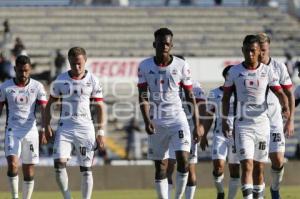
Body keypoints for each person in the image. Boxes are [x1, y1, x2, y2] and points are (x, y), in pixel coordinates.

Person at [137, 28, 204, 199]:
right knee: (161, 166)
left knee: (183, 160)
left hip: (177, 119)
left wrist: (197, 125)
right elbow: (143, 96)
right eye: (161, 43)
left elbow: (190, 96)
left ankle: (178, 197)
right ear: (155, 44)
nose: (164, 46)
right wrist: (147, 120)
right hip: (156, 120)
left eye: (167, 44)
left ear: (171, 45)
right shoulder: (144, 66)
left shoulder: (181, 66)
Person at [222, 35, 289, 199]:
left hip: (262, 126)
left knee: (259, 167)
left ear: (259, 52)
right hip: (243, 126)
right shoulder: (234, 71)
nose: (250, 54)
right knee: (247, 164)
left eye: (253, 51)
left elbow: (280, 92)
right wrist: (224, 119)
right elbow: (225, 97)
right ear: (242, 51)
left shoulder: (267, 71)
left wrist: (285, 105)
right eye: (247, 51)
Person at [45, 47, 105, 199]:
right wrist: (46, 125)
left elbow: (100, 107)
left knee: (86, 168)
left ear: (85, 60)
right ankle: (67, 196)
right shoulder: (61, 79)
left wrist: (100, 132)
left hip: (85, 128)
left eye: (79, 63)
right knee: (58, 164)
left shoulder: (93, 80)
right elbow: (50, 103)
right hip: (65, 127)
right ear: (69, 63)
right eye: (73, 64)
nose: (76, 67)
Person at [0, 55, 48, 199]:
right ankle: (15, 196)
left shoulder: (37, 86)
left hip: (31, 131)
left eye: (26, 71)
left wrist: (44, 129)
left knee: (28, 169)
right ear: (15, 69)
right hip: (12, 131)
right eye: (20, 71)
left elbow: (44, 109)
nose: (23, 74)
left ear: (30, 69)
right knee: (13, 164)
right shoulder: (5, 87)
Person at [257, 32, 295, 199]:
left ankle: (274, 188)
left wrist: (290, 120)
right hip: (256, 122)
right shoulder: (249, 67)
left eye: (264, 49)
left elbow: (290, 94)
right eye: (259, 50)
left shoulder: (279, 67)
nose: (262, 53)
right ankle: (259, 191)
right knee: (258, 163)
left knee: (278, 160)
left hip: (275, 121)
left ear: (269, 48)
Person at [200, 65, 240, 199]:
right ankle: (220, 191)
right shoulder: (214, 92)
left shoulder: (241, 92)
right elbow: (209, 115)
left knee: (235, 169)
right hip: (220, 134)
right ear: (226, 76)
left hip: (238, 135)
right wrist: (204, 134)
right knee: (218, 167)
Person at [167, 77, 206, 199]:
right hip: (170, 127)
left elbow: (202, 106)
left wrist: (199, 125)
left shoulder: (194, 85)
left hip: (189, 129)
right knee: (168, 166)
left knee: (189, 167)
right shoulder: (167, 83)